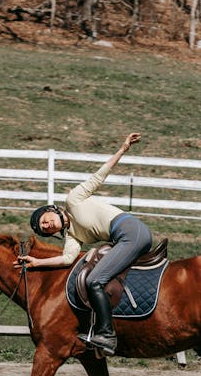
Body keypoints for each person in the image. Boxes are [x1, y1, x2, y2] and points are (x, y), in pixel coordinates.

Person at [16, 132, 153, 355]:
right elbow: (67, 258)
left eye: (45, 220)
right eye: (44, 229)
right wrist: (37, 262)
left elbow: (99, 176)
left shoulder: (73, 200)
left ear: (51, 210)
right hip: (123, 238)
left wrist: (122, 149)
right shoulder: (73, 236)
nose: (47, 226)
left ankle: (106, 335)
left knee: (95, 280)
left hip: (128, 231)